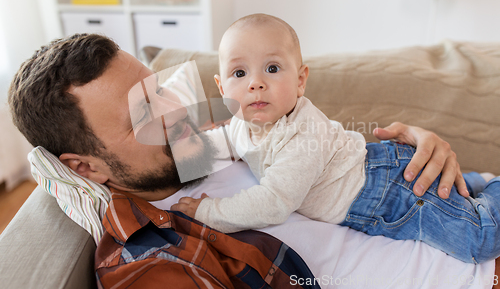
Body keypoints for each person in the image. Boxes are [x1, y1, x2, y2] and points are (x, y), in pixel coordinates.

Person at [7, 33, 484, 287]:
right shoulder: (150, 255)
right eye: (142, 116)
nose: (174, 111)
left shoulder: (207, 142)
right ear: (87, 167)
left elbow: (324, 142)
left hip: (463, 212)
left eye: (156, 88)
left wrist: (416, 140)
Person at [171, 13, 500, 264]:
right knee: (463, 208)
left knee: (480, 240)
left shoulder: (303, 132)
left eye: (272, 68)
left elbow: (273, 203)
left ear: (301, 80)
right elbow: (213, 147)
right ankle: (472, 182)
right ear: (222, 88)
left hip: (386, 189)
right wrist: (175, 152)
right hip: (371, 183)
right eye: (240, 73)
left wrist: (208, 212)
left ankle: (493, 185)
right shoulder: (240, 127)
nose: (256, 83)